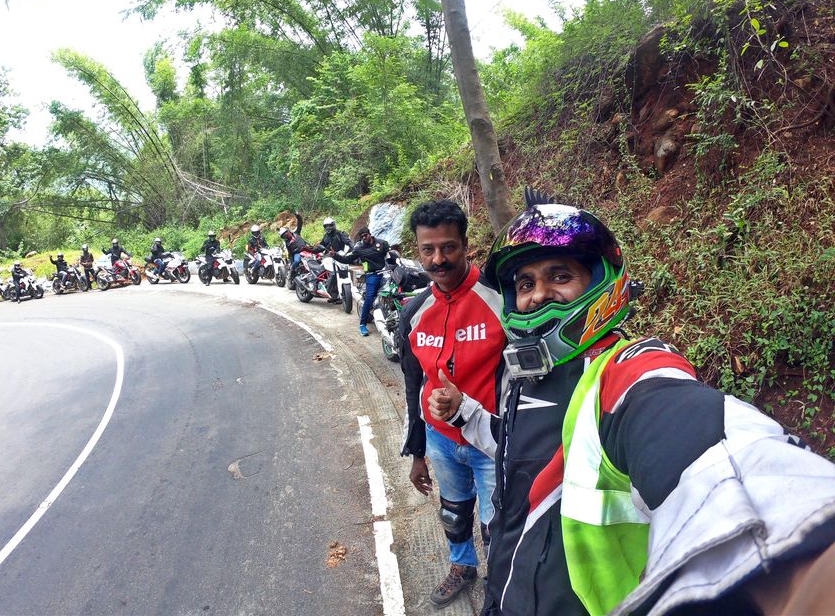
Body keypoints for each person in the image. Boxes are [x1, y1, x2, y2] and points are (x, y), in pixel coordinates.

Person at [427, 194, 835, 616]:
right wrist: (465, 413)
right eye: (525, 284)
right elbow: (516, 451)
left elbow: (709, 447)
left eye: (559, 275)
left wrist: (804, 555)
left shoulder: (624, 371)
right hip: (507, 592)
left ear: (600, 281)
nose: (538, 295)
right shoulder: (525, 374)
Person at [398, 199, 507, 608]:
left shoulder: (501, 301)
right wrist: (417, 451)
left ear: (466, 245)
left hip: (490, 442)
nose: (438, 260)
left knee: (497, 524)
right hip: (440, 439)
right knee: (453, 512)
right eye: (428, 250)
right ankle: (462, 566)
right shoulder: (415, 310)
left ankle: (500, 581)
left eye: (448, 248)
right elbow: (413, 384)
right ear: (417, 250)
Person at [331, 226, 389, 336]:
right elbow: (347, 259)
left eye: (365, 235)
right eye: (362, 237)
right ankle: (362, 325)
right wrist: (335, 256)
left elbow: (392, 256)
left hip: (386, 272)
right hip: (372, 275)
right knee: (370, 296)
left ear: (370, 234)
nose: (364, 238)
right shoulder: (359, 249)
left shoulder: (382, 244)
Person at [278, 213, 313, 287]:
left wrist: (297, 216)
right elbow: (290, 253)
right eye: (283, 236)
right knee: (296, 261)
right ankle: (291, 272)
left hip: (307, 250)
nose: (286, 235)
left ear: (288, 231)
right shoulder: (287, 243)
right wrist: (292, 261)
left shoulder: (296, 233)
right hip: (297, 253)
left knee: (319, 256)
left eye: (285, 233)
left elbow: (300, 223)